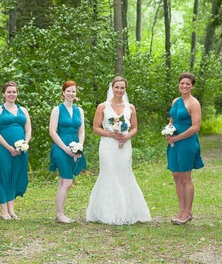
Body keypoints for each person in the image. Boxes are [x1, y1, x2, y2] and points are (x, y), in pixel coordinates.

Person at [86, 76, 151, 225]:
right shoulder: (103, 107)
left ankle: (126, 211)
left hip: (124, 145)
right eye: (117, 87)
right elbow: (96, 128)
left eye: (122, 88)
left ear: (125, 89)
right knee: (109, 173)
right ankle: (108, 212)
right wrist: (111, 133)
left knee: (124, 173)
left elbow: (135, 127)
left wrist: (127, 136)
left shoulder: (130, 107)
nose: (119, 90)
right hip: (108, 145)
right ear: (112, 88)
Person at [165, 72, 204, 225]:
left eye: (188, 84)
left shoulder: (194, 103)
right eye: (182, 83)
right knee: (176, 175)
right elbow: (172, 118)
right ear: (179, 84)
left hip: (187, 142)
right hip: (173, 142)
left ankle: (188, 211)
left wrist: (177, 137)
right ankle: (181, 210)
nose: (184, 86)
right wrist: (169, 130)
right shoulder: (176, 101)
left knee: (185, 177)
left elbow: (196, 126)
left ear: (192, 86)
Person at [0, 81, 32, 220]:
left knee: (15, 176)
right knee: (3, 176)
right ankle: (3, 211)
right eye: (9, 92)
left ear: (17, 93)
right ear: (3, 94)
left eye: (14, 92)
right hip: (2, 149)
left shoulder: (23, 110)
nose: (11, 94)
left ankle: (11, 210)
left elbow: (28, 129)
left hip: (20, 150)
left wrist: (24, 143)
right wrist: (9, 148)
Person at [49, 80, 86, 224]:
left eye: (73, 91)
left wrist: (79, 146)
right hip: (61, 147)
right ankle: (60, 214)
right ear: (63, 92)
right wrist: (65, 149)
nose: (71, 93)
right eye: (68, 91)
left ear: (76, 94)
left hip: (75, 147)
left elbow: (81, 131)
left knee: (63, 181)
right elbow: (52, 131)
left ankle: (59, 213)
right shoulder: (57, 110)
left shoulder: (79, 111)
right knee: (68, 182)